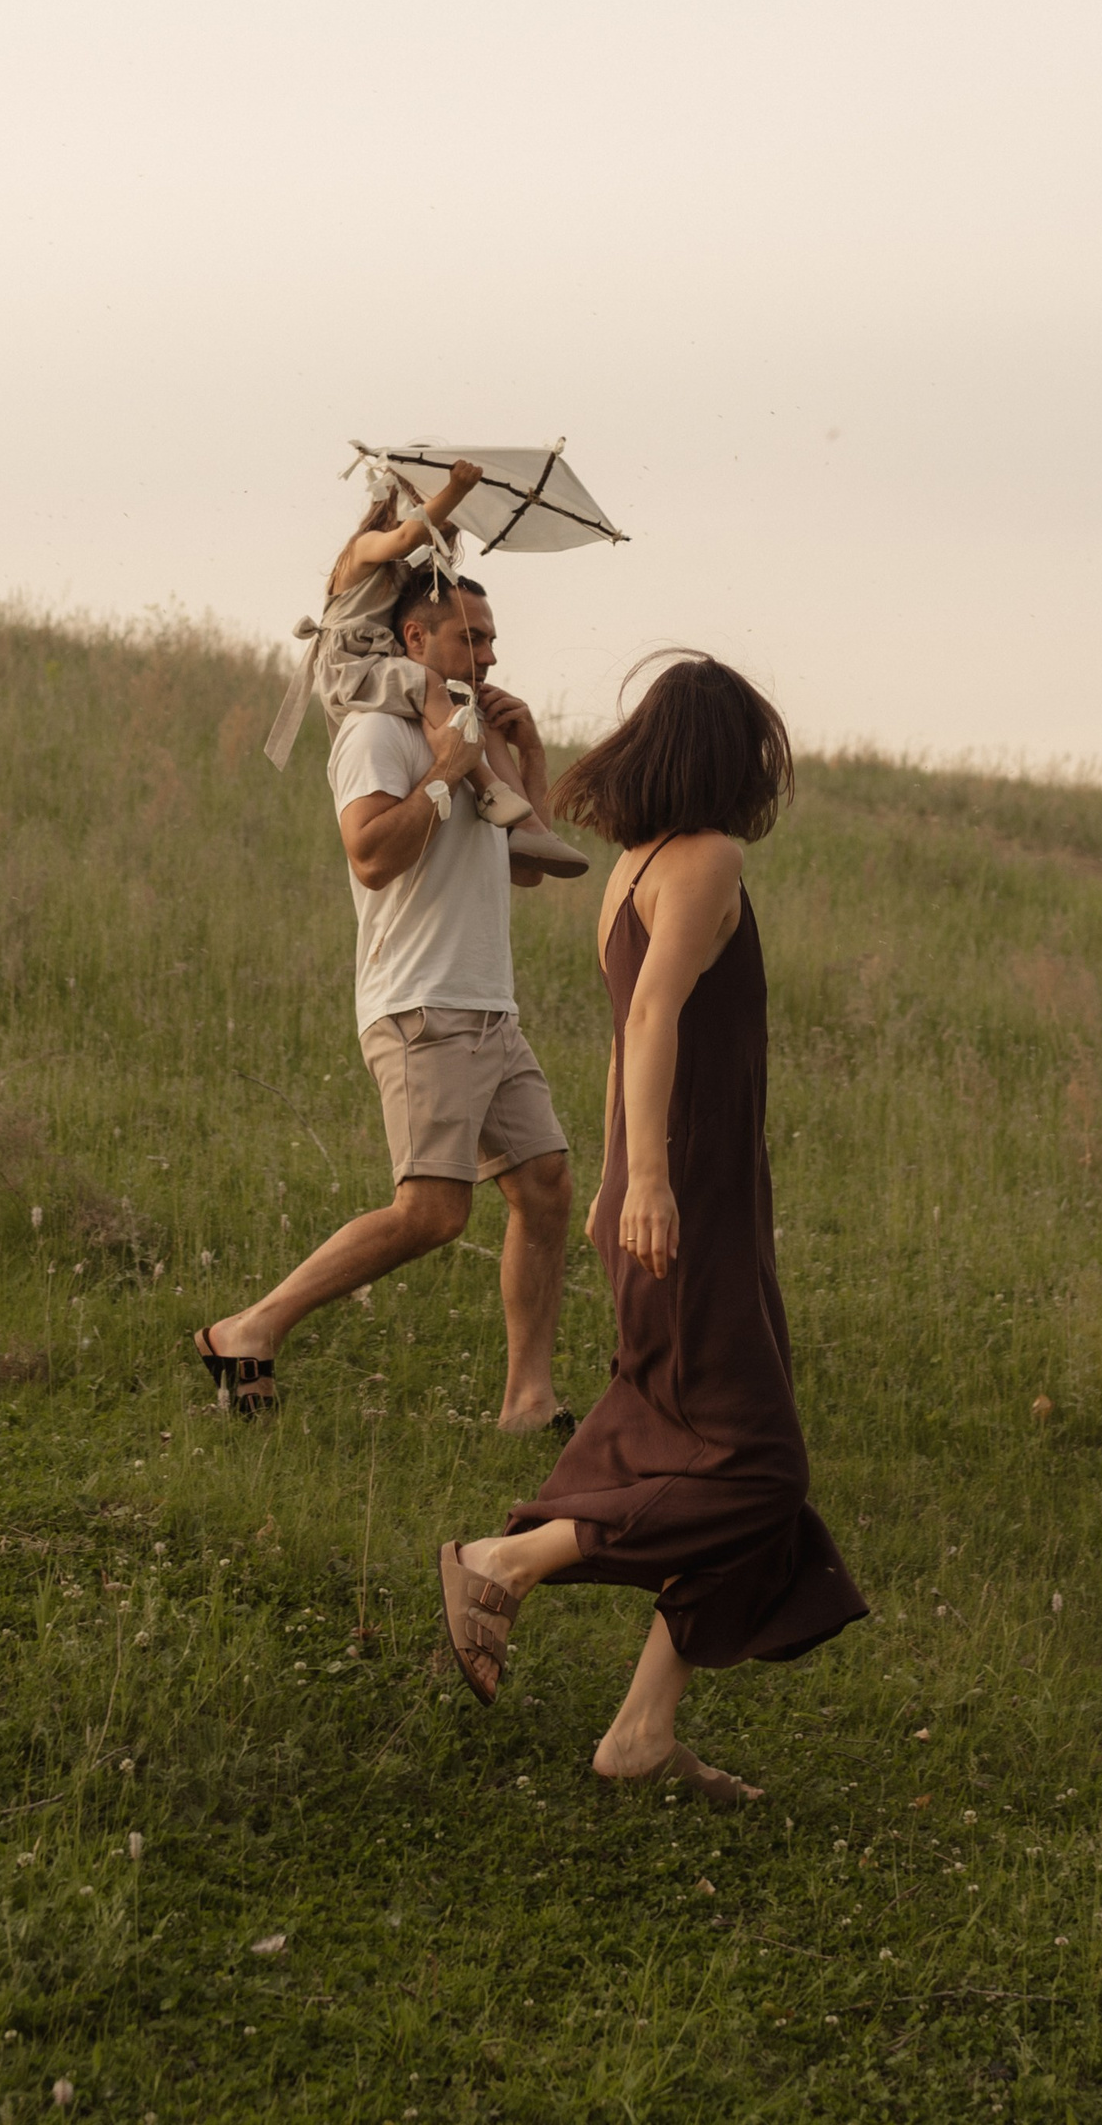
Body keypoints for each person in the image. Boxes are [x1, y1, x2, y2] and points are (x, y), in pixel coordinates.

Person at [434, 655, 866, 1805]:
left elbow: (625, 1035)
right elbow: (656, 1015)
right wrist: (653, 1186)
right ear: (732, 759)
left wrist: (621, 1180)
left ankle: (640, 1729)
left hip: (674, 1196)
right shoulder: (709, 858)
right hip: (689, 1206)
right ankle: (504, 1560)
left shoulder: (634, 869)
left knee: (693, 1438)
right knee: (759, 1469)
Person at [197, 575, 579, 1424]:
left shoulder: (472, 741)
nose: (486, 656)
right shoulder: (377, 733)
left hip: (488, 1004)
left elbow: (526, 866)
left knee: (546, 1184)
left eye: (489, 640)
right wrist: (445, 772)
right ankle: (247, 1328)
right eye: (468, 638)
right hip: (420, 1004)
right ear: (413, 640)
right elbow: (371, 855)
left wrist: (529, 760)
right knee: (434, 1212)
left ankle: (528, 1399)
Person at [264, 458, 585, 875]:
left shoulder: (405, 573)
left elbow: (528, 879)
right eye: (431, 504)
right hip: (353, 667)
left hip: (386, 666)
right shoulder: (365, 549)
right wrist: (458, 489)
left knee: (476, 717)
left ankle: (531, 830)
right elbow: (407, 534)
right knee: (435, 688)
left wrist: (532, 754)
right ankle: (487, 785)